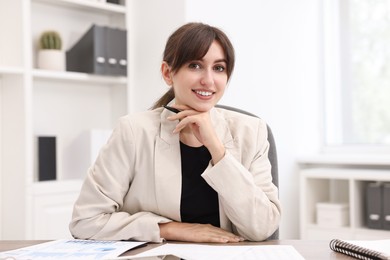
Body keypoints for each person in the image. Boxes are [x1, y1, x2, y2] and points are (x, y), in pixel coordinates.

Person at [69, 22, 281, 243]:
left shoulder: (252, 132)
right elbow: (85, 222)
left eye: (219, 68)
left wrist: (217, 150)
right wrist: (168, 229)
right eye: (195, 65)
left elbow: (263, 228)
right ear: (168, 73)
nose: (208, 80)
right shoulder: (133, 131)